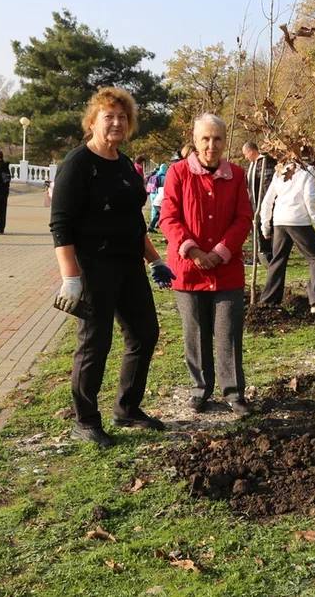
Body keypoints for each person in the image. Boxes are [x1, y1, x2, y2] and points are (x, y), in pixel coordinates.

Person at [50, 87, 176, 447]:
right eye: (109, 116)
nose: (117, 122)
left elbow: (133, 222)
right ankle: (85, 420)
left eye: (123, 117)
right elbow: (60, 224)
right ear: (93, 122)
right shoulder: (77, 165)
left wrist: (155, 260)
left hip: (128, 266)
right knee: (95, 343)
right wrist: (70, 278)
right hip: (92, 268)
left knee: (144, 333)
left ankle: (128, 408)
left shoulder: (124, 165)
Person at [160, 114, 254, 415]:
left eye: (217, 139)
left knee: (228, 331)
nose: (211, 145)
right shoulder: (178, 173)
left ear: (225, 141)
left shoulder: (237, 175)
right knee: (195, 332)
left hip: (226, 269)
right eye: (205, 138)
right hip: (189, 268)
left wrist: (221, 251)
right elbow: (169, 217)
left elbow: (243, 218)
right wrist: (195, 252)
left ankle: (234, 391)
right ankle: (200, 389)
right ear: (195, 139)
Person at [258, 156, 315, 314]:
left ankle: (268, 300)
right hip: (298, 221)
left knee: (278, 260)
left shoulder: (281, 170)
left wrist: (265, 225)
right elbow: (309, 198)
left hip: (280, 221)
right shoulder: (308, 171)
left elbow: (267, 201)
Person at [242, 141, 276, 266]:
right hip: (254, 203)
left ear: (251, 151)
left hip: (263, 202)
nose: (246, 157)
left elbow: (268, 184)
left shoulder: (265, 163)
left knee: (266, 227)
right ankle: (262, 253)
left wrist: (268, 202)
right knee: (257, 228)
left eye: (246, 154)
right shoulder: (252, 165)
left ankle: (267, 253)